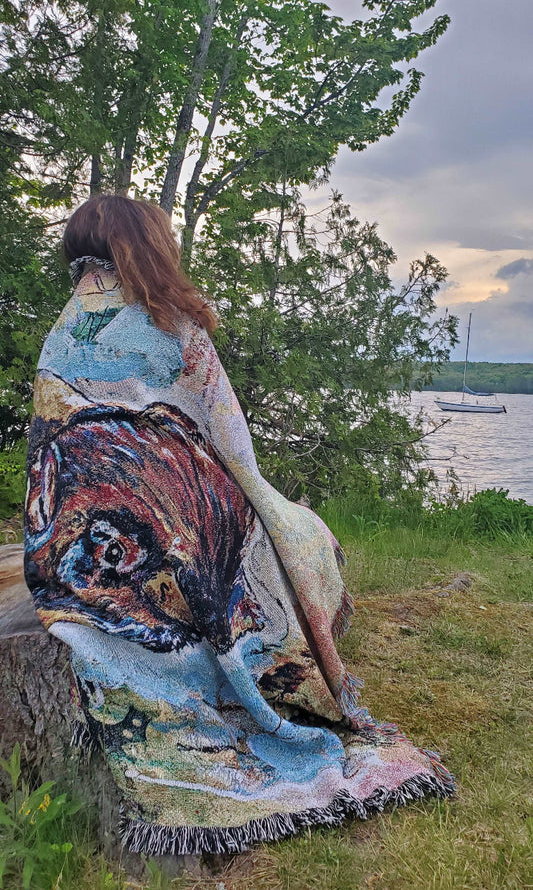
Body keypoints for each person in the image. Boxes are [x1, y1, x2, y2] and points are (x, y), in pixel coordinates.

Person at [24, 194, 454, 857]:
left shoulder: (59, 333)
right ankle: (278, 676)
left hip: (73, 551)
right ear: (146, 243)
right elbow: (230, 438)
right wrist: (264, 502)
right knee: (286, 529)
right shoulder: (170, 321)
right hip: (179, 534)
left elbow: (49, 453)